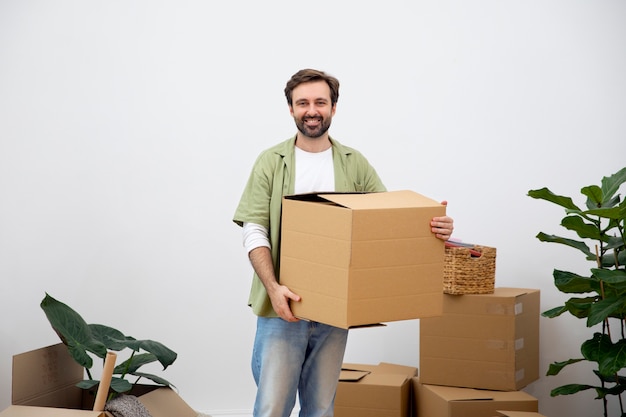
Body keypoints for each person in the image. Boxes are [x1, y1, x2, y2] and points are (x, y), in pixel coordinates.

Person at [233, 68, 454, 417]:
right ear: (290, 109)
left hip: (334, 311)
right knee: (272, 406)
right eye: (302, 103)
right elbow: (254, 229)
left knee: (321, 408)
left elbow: (386, 222)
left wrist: (435, 229)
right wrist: (274, 288)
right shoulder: (270, 162)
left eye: (320, 102)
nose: (311, 110)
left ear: (334, 108)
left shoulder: (354, 163)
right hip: (283, 305)